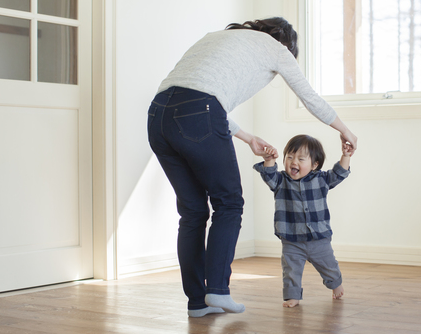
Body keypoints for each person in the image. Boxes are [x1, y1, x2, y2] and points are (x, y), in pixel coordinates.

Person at [147, 17, 357, 318]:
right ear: (286, 43)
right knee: (229, 203)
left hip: (157, 117)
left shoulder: (216, 37)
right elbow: (309, 97)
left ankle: (197, 302)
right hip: (200, 112)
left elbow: (188, 97)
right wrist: (345, 130)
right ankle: (217, 290)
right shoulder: (277, 49)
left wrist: (247, 138)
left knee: (192, 211)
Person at [253, 134, 352, 308]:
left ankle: (335, 283)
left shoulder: (321, 179)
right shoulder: (280, 181)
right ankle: (293, 296)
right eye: (289, 157)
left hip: (318, 238)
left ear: (314, 164)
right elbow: (268, 175)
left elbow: (339, 174)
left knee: (329, 265)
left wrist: (346, 156)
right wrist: (268, 159)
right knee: (291, 270)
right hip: (291, 239)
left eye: (301, 159)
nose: (294, 162)